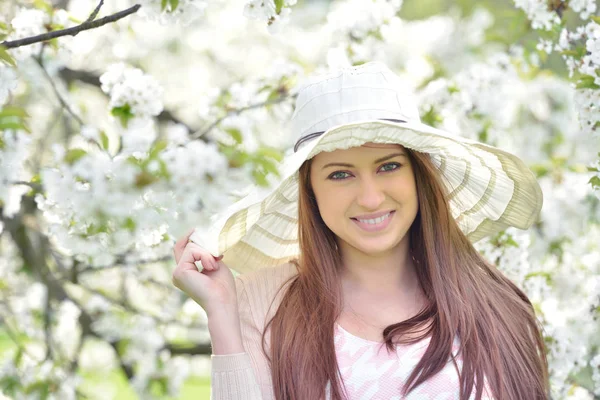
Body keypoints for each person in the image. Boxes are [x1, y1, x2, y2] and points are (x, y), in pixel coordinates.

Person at [172, 62, 549, 400]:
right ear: (310, 192)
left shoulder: (493, 304)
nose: (370, 198)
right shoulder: (267, 304)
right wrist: (221, 313)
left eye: (388, 166)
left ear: (418, 174)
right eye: (340, 174)